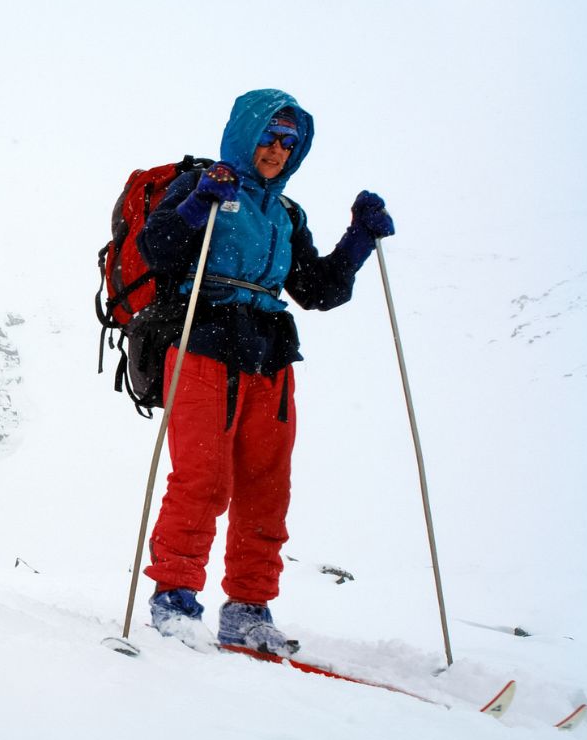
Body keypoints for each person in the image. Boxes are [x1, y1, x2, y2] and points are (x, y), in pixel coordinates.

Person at [136, 88, 394, 655]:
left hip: (269, 353)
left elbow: (317, 290)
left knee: (266, 487)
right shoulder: (202, 183)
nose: (277, 150)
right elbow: (159, 249)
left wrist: (359, 238)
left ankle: (248, 608)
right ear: (245, 134)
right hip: (202, 340)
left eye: (289, 143)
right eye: (269, 137)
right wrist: (199, 202)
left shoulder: (286, 214)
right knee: (204, 479)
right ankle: (174, 598)